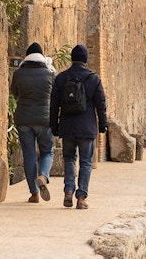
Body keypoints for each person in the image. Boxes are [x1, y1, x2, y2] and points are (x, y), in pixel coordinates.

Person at [50, 44, 107, 210]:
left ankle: (68, 190)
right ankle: (81, 197)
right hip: (87, 126)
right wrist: (102, 124)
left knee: (69, 159)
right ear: (86, 59)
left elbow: (54, 105)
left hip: (67, 126)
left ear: (72, 58)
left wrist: (54, 125)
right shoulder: (94, 79)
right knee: (86, 162)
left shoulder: (61, 78)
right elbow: (101, 104)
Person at [10, 42, 55, 203]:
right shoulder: (49, 74)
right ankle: (43, 175)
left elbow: (14, 93)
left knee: (28, 155)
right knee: (47, 152)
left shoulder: (18, 74)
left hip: (23, 119)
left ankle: (34, 194)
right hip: (44, 119)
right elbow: (55, 97)